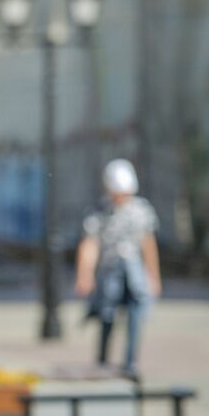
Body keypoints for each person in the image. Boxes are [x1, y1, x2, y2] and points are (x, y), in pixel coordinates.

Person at [75, 159, 162, 375]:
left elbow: (147, 243)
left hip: (133, 273)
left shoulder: (140, 210)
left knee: (135, 314)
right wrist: (84, 274)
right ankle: (103, 359)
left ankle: (130, 362)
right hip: (109, 271)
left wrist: (154, 276)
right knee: (107, 313)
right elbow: (90, 244)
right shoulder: (100, 211)